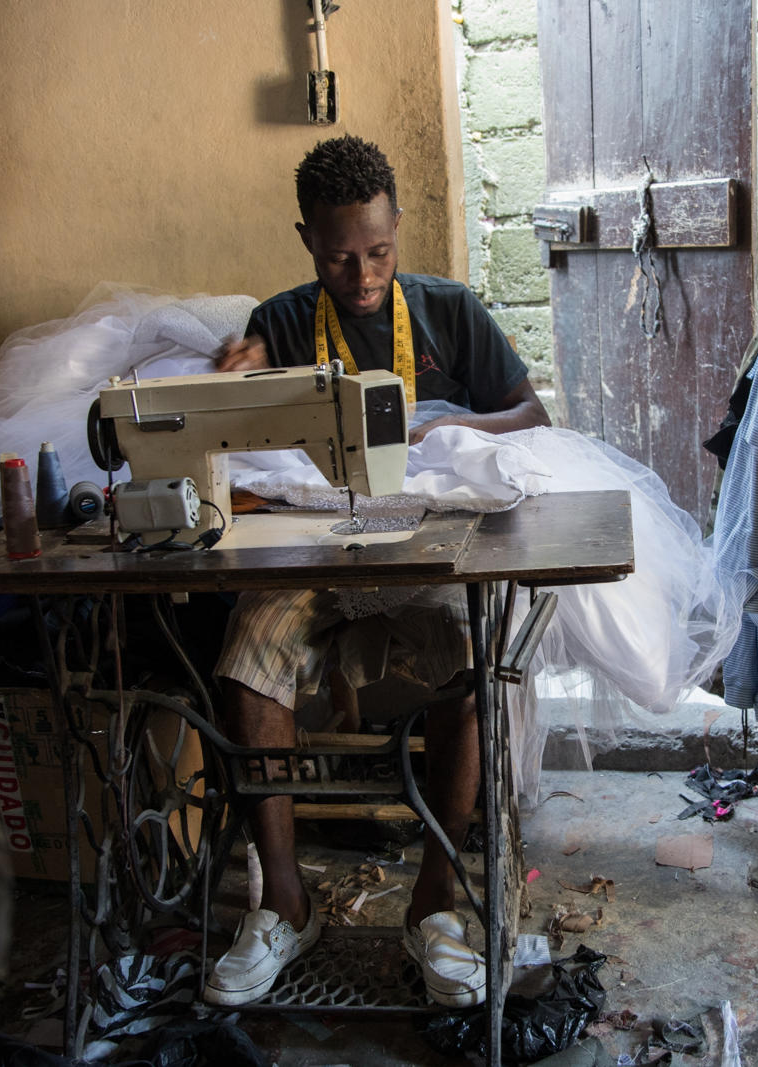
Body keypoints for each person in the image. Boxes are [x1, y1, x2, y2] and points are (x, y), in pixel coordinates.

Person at [204, 135, 549, 1008]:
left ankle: (434, 906)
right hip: (316, 551)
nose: (361, 276)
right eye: (338, 256)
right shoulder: (281, 322)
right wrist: (230, 382)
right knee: (247, 656)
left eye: (378, 251)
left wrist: (457, 434)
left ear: (399, 227)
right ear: (306, 240)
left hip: (423, 548)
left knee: (471, 669)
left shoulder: (448, 311)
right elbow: (235, 440)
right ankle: (283, 903)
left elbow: (533, 411)